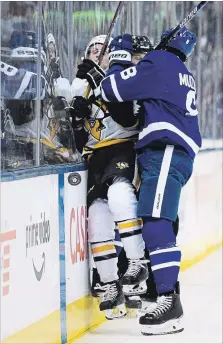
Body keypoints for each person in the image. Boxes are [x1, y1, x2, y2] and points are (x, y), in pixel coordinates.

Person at [101, 29, 202, 334]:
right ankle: (163, 294)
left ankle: (169, 302)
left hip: (166, 151)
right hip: (172, 153)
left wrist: (118, 58)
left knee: (156, 220)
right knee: (161, 221)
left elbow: (111, 89)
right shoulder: (180, 70)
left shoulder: (160, 63)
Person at [70, 34, 153, 319]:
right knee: (97, 217)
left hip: (123, 148)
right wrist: (75, 115)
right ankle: (109, 284)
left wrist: (100, 80)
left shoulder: (123, 79)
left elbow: (129, 118)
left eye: (103, 50)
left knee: (120, 196)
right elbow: (78, 136)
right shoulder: (81, 84)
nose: (97, 53)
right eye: (92, 49)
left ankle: (136, 263)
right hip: (96, 157)